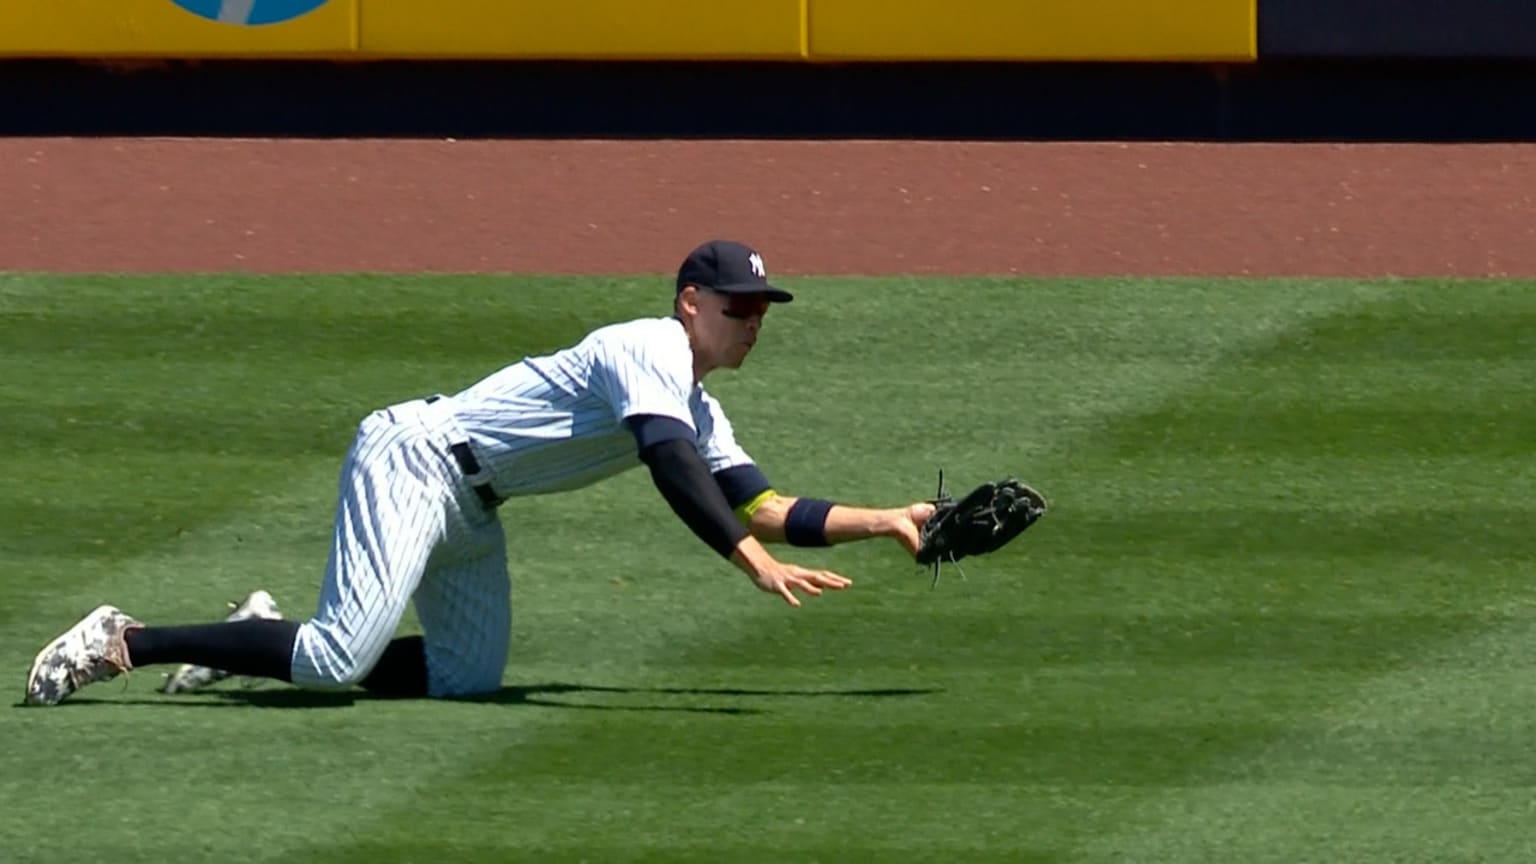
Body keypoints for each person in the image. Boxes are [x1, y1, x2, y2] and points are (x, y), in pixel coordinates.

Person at [24, 239, 936, 706]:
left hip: (472, 502)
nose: (752, 319)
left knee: (466, 678)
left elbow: (766, 505)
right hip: (416, 458)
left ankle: (258, 640)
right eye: (737, 304)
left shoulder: (698, 404)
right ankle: (127, 641)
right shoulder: (648, 346)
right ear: (692, 301)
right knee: (343, 657)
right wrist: (748, 562)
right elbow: (670, 467)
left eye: (762, 308)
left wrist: (888, 520)